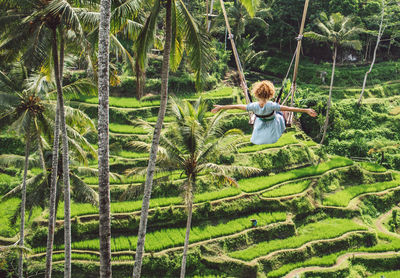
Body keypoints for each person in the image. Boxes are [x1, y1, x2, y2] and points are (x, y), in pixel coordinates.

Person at [211, 80, 317, 145]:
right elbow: (290, 108)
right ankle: (279, 108)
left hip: (260, 121)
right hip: (274, 122)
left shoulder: (254, 106)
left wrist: (222, 107)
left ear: (256, 93)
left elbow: (236, 106)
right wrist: (306, 110)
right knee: (282, 111)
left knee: (274, 110)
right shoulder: (272, 105)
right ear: (270, 93)